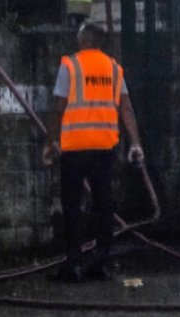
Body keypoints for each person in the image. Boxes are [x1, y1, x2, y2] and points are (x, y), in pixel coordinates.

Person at [43, 21, 145, 282]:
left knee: (72, 206)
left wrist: (51, 142)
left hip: (75, 147)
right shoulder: (114, 68)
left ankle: (73, 265)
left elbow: (58, 107)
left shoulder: (70, 65)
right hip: (105, 147)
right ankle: (100, 263)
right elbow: (126, 108)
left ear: (83, 40)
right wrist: (135, 143)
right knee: (103, 205)